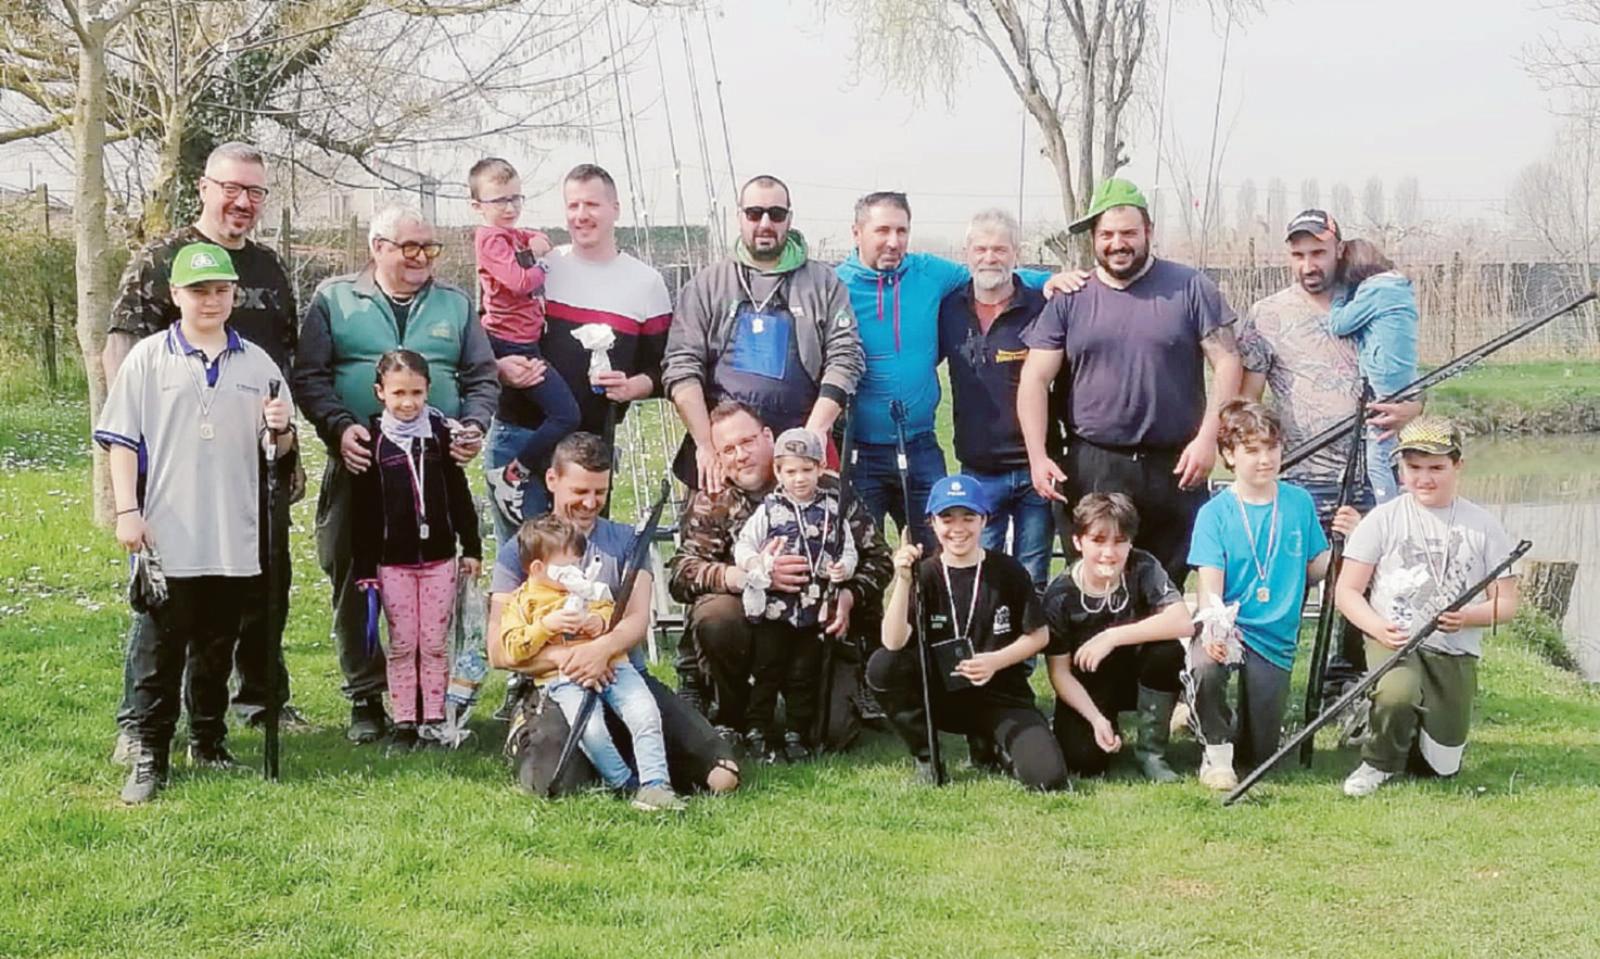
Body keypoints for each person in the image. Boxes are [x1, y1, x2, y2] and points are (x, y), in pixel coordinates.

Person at [104, 141, 306, 762]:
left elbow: (284, 366)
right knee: (165, 603)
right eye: (232, 188)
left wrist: (285, 443)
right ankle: (140, 725)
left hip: (254, 464)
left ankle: (252, 703)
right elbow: (122, 354)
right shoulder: (160, 258)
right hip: (171, 466)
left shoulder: (269, 270)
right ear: (204, 186)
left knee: (255, 590)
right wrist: (129, 475)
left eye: (255, 192)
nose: (243, 202)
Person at [294, 203, 498, 745]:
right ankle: (366, 696)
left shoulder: (455, 305)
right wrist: (339, 427)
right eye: (410, 247)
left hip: (434, 468)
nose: (422, 258)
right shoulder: (334, 299)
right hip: (360, 466)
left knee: (432, 586)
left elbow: (483, 376)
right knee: (355, 577)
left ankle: (432, 704)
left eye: (429, 248)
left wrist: (474, 426)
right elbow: (308, 376)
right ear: (377, 247)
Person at [486, 432, 741, 797]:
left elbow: (637, 619)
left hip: (624, 675)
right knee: (552, 787)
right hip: (558, 683)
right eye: (580, 492)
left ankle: (639, 760)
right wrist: (570, 658)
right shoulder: (521, 550)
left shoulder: (627, 540)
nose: (591, 503)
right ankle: (542, 734)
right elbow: (498, 651)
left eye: (600, 492)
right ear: (552, 481)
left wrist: (602, 650)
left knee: (722, 777)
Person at [1018, 177, 1244, 589]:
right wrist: (1037, 456)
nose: (1117, 243)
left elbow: (1228, 361)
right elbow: (1034, 378)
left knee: (1163, 590)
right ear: (1093, 238)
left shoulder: (1190, 287)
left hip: (1174, 467)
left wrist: (1208, 439)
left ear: (1148, 233)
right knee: (1096, 588)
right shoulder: (1073, 296)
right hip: (1093, 466)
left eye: (1127, 233)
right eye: (1106, 234)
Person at [1237, 210, 1422, 698]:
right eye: (1297, 254)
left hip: (1373, 473)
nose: (1307, 264)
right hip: (1299, 476)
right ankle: (1263, 684)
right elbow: (1248, 401)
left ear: (1338, 249)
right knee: (1284, 580)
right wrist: (1251, 464)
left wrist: (1414, 408)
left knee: (1370, 580)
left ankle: (1351, 684)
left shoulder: (1373, 297)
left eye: (1317, 252)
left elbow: (1409, 384)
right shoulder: (1266, 315)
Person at [836, 191, 1058, 551]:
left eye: (902, 231)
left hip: (922, 446)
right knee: (866, 562)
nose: (894, 242)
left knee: (943, 557)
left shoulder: (929, 272)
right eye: (882, 231)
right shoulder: (835, 287)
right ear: (856, 232)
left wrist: (1046, 281)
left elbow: (993, 272)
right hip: (861, 451)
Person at [667, 401, 894, 742]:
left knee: (833, 735)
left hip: (816, 624)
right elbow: (681, 573)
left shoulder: (829, 488)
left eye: (747, 442)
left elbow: (879, 559)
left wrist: (847, 596)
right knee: (716, 616)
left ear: (769, 437)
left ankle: (820, 705)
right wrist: (745, 577)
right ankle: (733, 714)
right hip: (752, 621)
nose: (740, 455)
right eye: (728, 449)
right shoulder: (714, 497)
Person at [1335, 417, 1520, 798]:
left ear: (1458, 466)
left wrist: (1468, 617)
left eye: (1437, 468)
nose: (1425, 478)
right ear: (1400, 470)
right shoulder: (1382, 520)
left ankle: (1411, 734)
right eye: (1414, 468)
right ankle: (1377, 760)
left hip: (1453, 650)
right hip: (1394, 639)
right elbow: (1347, 591)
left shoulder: (1484, 526)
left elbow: (1507, 603)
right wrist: (1376, 626)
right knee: (1398, 692)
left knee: (1441, 769)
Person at [1184, 400, 1352, 791]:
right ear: (1229, 454)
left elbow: (1316, 567)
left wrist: (1347, 544)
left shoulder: (1298, 503)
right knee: (1207, 665)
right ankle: (1215, 751)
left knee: (1261, 755)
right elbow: (1209, 587)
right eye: (1252, 450)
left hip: (1276, 635)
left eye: (1272, 448)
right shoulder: (1214, 513)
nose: (1265, 459)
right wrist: (1214, 631)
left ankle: (1221, 725)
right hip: (1231, 625)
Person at [869, 475, 1070, 790]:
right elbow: (892, 641)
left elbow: (1039, 635)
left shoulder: (1008, 571)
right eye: (947, 519)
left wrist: (995, 661)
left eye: (968, 518)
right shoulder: (923, 574)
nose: (957, 528)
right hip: (939, 692)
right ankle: (927, 757)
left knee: (1049, 779)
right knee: (884, 665)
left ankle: (990, 744)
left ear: (984, 520)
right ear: (932, 523)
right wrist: (903, 579)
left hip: (999, 690)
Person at [664, 174, 862, 492]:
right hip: (724, 456)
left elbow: (846, 358)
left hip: (797, 453)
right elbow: (680, 366)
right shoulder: (706, 285)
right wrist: (705, 444)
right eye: (754, 213)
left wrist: (814, 436)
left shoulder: (823, 283)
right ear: (739, 216)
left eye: (777, 214)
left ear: (789, 218)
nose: (766, 223)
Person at [499, 515, 685, 811]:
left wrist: (596, 623)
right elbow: (512, 648)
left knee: (644, 713)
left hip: (614, 667)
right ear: (537, 568)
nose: (576, 572)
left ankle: (656, 783)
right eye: (568, 567)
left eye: (577, 563)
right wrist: (546, 626)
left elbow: (611, 616)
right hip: (563, 678)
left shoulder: (584, 589)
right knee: (591, 730)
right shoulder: (522, 603)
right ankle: (624, 783)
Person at [351, 350, 483, 753]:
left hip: (440, 559)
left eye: (416, 393)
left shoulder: (442, 436)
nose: (407, 402)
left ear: (429, 391)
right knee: (404, 643)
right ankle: (405, 721)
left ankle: (434, 718)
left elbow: (460, 496)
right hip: (393, 564)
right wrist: (365, 568)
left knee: (435, 643)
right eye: (398, 393)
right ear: (380, 393)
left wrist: (471, 547)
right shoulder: (371, 442)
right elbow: (364, 512)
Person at [937, 208, 1053, 590]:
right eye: (982, 249)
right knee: (981, 579)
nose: (990, 258)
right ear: (967, 252)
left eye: (1000, 250)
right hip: (979, 470)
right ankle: (988, 651)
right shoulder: (949, 309)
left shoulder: (1040, 307)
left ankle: (1028, 651)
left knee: (1032, 576)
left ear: (1016, 253)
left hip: (1036, 468)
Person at [1042, 493, 1194, 781]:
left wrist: (1112, 636)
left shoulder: (1143, 566)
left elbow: (1182, 621)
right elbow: (1059, 673)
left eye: (1120, 541)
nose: (1109, 553)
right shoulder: (1059, 596)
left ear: (1130, 542)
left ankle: (1152, 752)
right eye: (1098, 541)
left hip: (1137, 672)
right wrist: (1096, 719)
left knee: (1167, 650)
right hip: (1087, 681)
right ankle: (1103, 721)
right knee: (1083, 763)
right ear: (1078, 541)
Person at [731, 428, 858, 761]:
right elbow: (743, 545)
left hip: (813, 610)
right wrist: (757, 563)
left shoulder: (834, 508)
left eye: (806, 469)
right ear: (778, 472)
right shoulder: (770, 509)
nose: (799, 479)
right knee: (767, 668)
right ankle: (757, 728)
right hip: (774, 610)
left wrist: (844, 569)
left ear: (819, 468)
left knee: (804, 672)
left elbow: (849, 549)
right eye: (791, 471)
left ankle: (796, 732)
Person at [469, 156, 581, 522]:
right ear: (477, 206)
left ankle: (515, 472)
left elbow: (535, 238)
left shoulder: (508, 234)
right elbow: (519, 282)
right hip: (510, 343)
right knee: (566, 413)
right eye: (499, 200)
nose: (510, 207)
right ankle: (511, 473)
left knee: (562, 413)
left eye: (516, 198)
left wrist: (535, 241)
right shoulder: (489, 239)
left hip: (526, 341)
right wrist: (543, 262)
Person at [1326, 238, 1419, 503]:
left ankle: (1386, 510)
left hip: (1384, 379)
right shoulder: (1399, 288)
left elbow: (1340, 324)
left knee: (1377, 456)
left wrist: (1341, 294)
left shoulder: (1375, 291)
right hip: (1404, 378)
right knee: (1394, 448)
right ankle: (1403, 497)